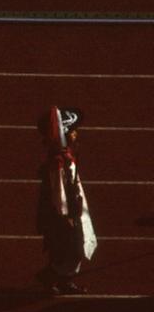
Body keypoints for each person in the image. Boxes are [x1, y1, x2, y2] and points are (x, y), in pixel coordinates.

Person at [36, 106, 97, 294]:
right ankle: (49, 278)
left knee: (73, 246)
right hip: (63, 213)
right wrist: (66, 216)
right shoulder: (59, 162)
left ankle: (65, 281)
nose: (76, 134)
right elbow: (59, 191)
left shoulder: (64, 157)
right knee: (67, 247)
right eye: (72, 131)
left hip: (72, 209)